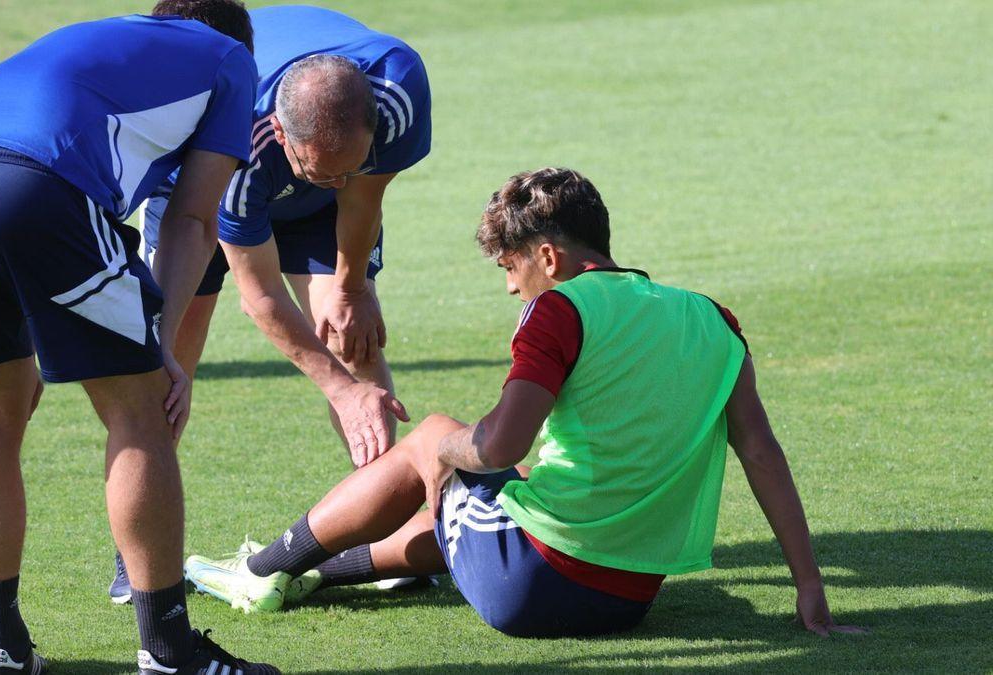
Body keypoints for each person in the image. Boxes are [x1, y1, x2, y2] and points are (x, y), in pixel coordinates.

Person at [183, 168, 867, 640]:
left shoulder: (558, 311)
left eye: (511, 268)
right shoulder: (713, 319)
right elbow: (761, 450)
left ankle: (263, 570)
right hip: (628, 599)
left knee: (440, 435)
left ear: (548, 254)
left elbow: (499, 446)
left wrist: (439, 451)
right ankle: (320, 573)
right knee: (505, 495)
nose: (512, 289)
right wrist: (809, 583)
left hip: (533, 586)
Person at [0, 6, 279, 674]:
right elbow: (193, 220)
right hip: (34, 178)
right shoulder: (230, 58)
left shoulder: (115, 41)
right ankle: (169, 652)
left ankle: (2, 649)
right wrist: (160, 343)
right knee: (141, 407)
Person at [141, 3, 432, 467]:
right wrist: (342, 392)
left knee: (351, 337)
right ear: (279, 132)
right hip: (196, 199)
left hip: (308, 200)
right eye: (323, 172)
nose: (339, 184)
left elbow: (359, 199)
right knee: (167, 368)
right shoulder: (237, 150)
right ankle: (138, 539)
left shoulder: (397, 89)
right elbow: (260, 296)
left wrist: (352, 289)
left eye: (350, 168)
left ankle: (380, 518)